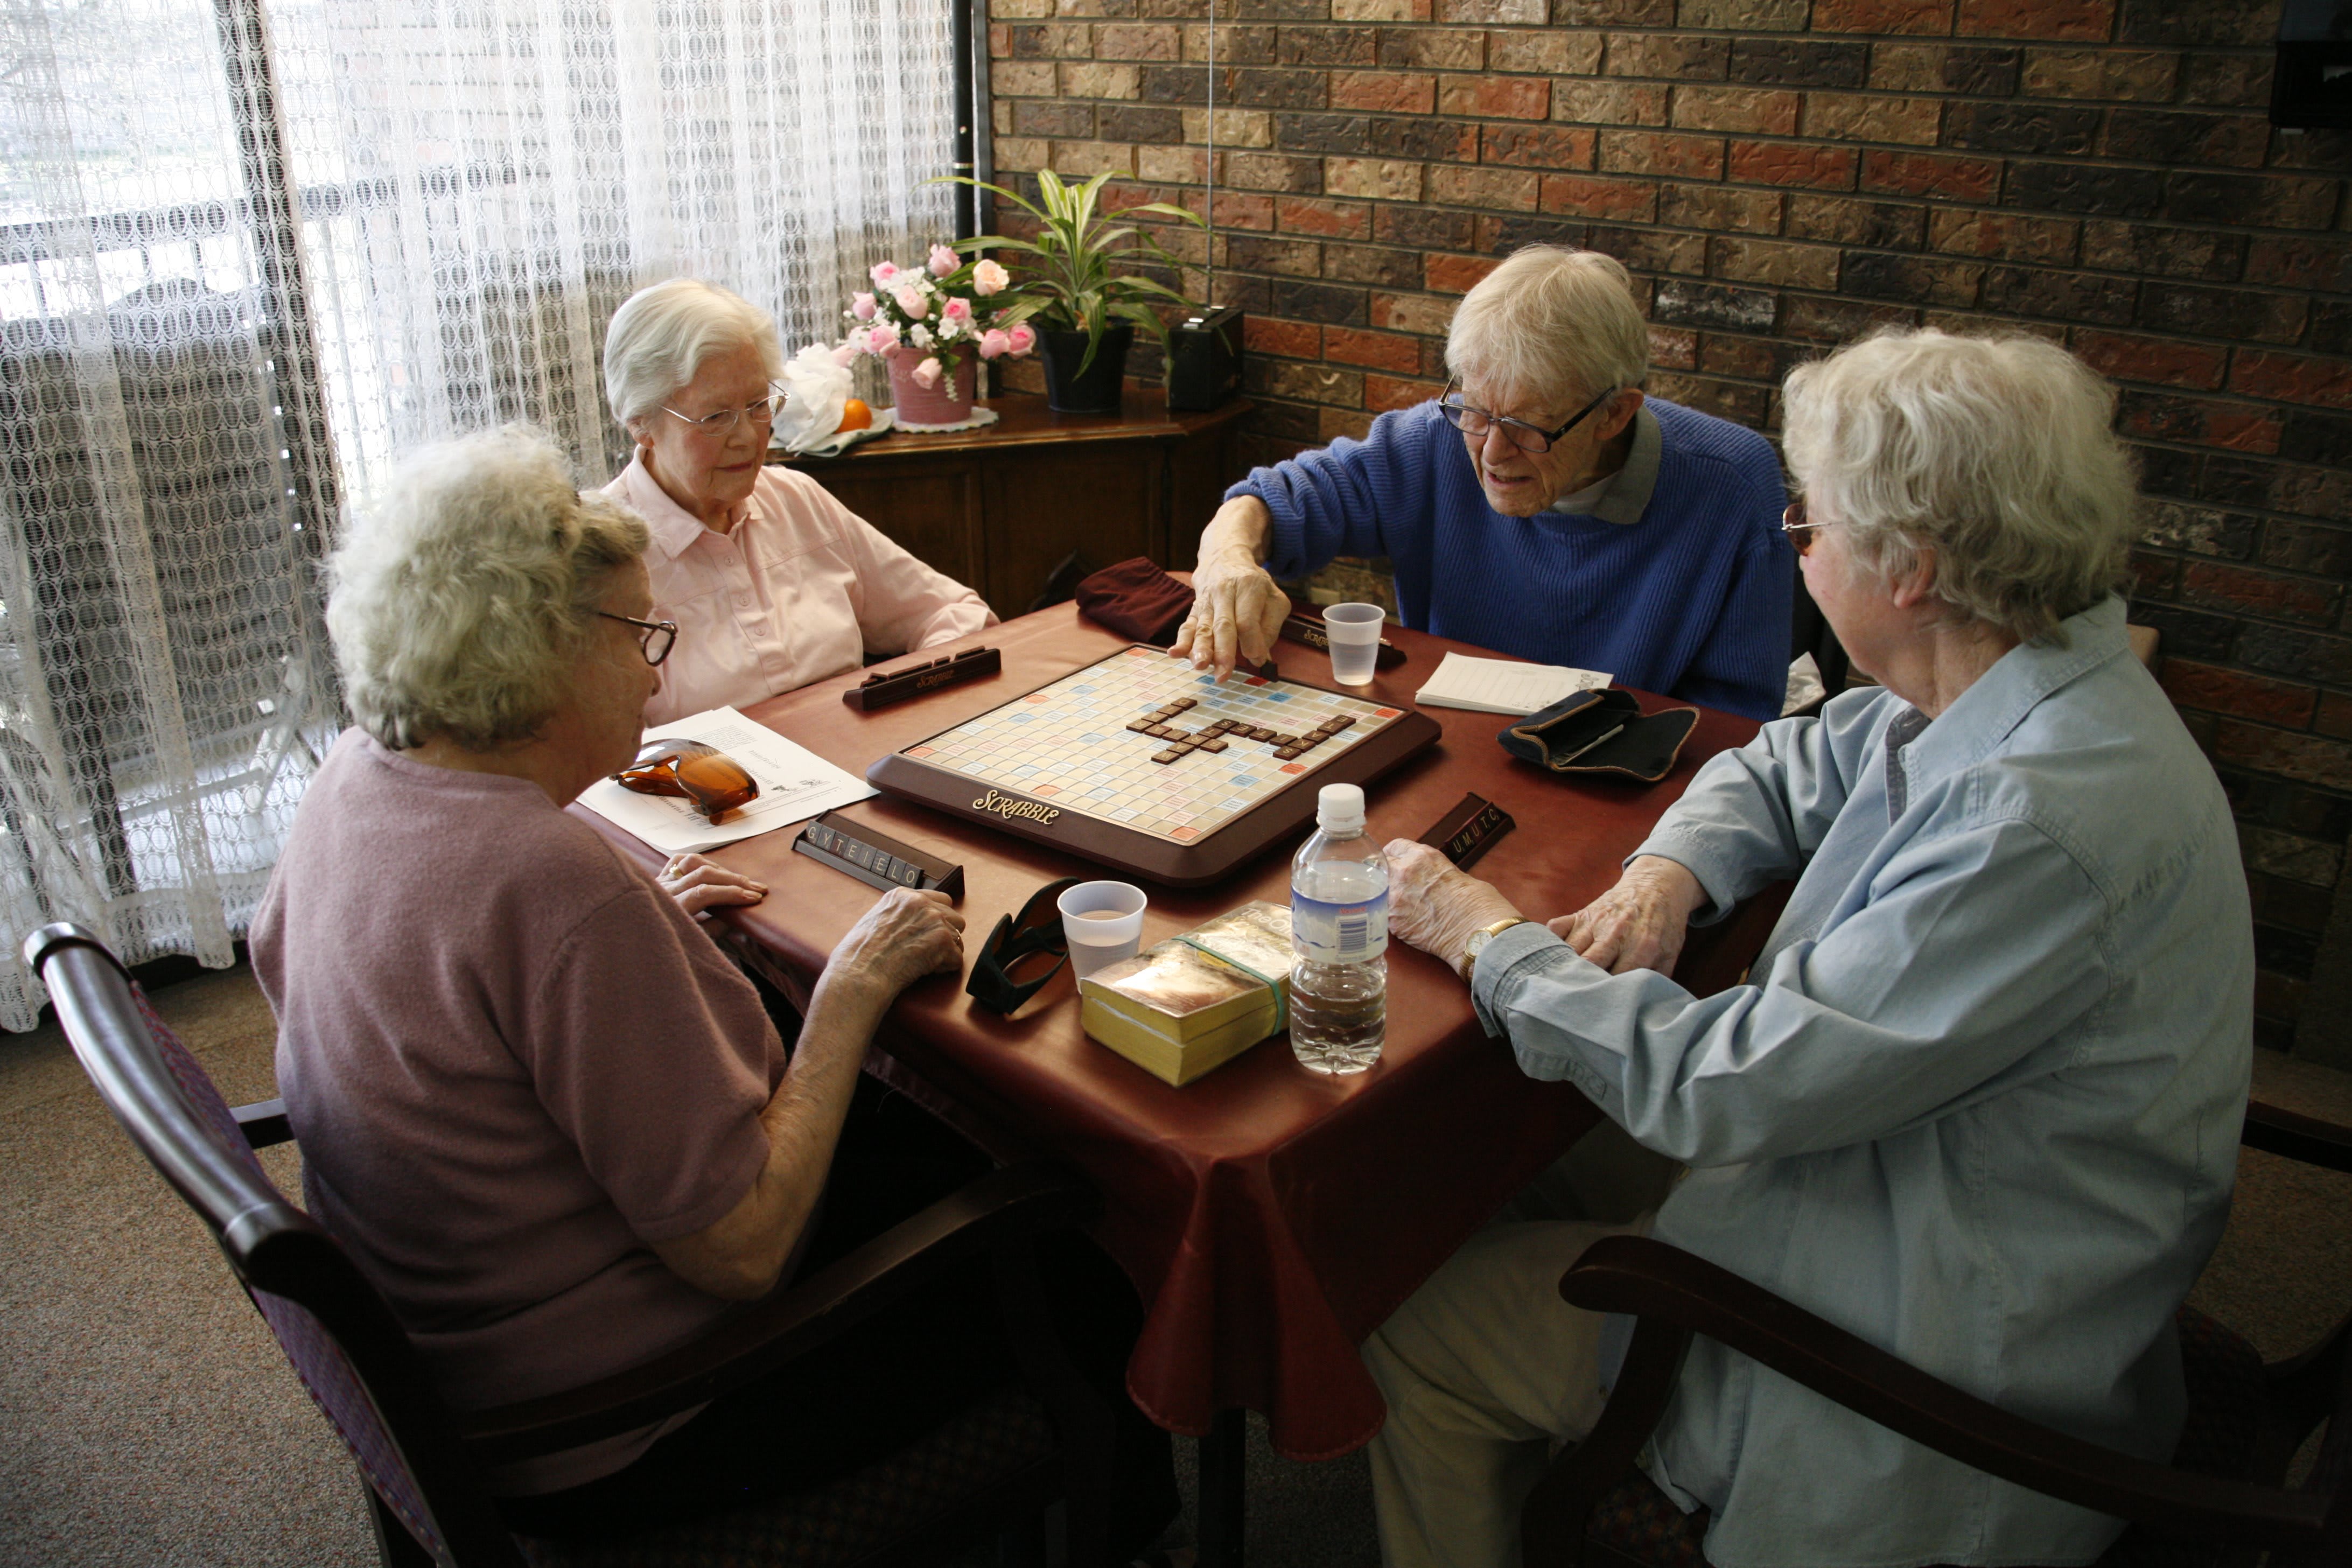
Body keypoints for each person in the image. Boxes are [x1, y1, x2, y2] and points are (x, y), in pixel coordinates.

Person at [1366, 330, 2253, 1568]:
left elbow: (1727, 1087)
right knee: (1492, 1162)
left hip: (1920, 1375)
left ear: (1913, 567)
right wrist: (1675, 869)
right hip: (1907, 1189)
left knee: (1412, 1319)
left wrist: (1487, 937)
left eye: (1812, 526)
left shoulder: (2033, 822)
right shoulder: (2004, 671)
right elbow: (1785, 762)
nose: (1802, 547)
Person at [251, 426, 1173, 1549]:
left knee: (934, 1137)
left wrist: (622, 953)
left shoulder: (358, 774)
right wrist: (850, 985)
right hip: (626, 1419)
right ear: (534, 655)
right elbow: (745, 1253)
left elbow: (321, 969)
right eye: (640, 636)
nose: (656, 671)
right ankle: (1121, 1533)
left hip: (451, 1322)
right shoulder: (552, 884)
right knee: (1077, 1241)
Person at [1172, 246, 1792, 720]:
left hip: (1621, 785)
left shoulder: (1731, 486)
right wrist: (1229, 556)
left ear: (1615, 413)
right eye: (1475, 409)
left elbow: (1733, 726)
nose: (1491, 452)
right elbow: (1278, 497)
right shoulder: (1436, 439)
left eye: (1527, 425)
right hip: (1449, 745)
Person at [600, 278, 996, 726]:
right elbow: (595, 763)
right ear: (640, 423)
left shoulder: (795, 499)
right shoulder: (599, 556)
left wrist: (900, 703)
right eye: (715, 417)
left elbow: (955, 613)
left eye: (758, 405)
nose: (749, 437)